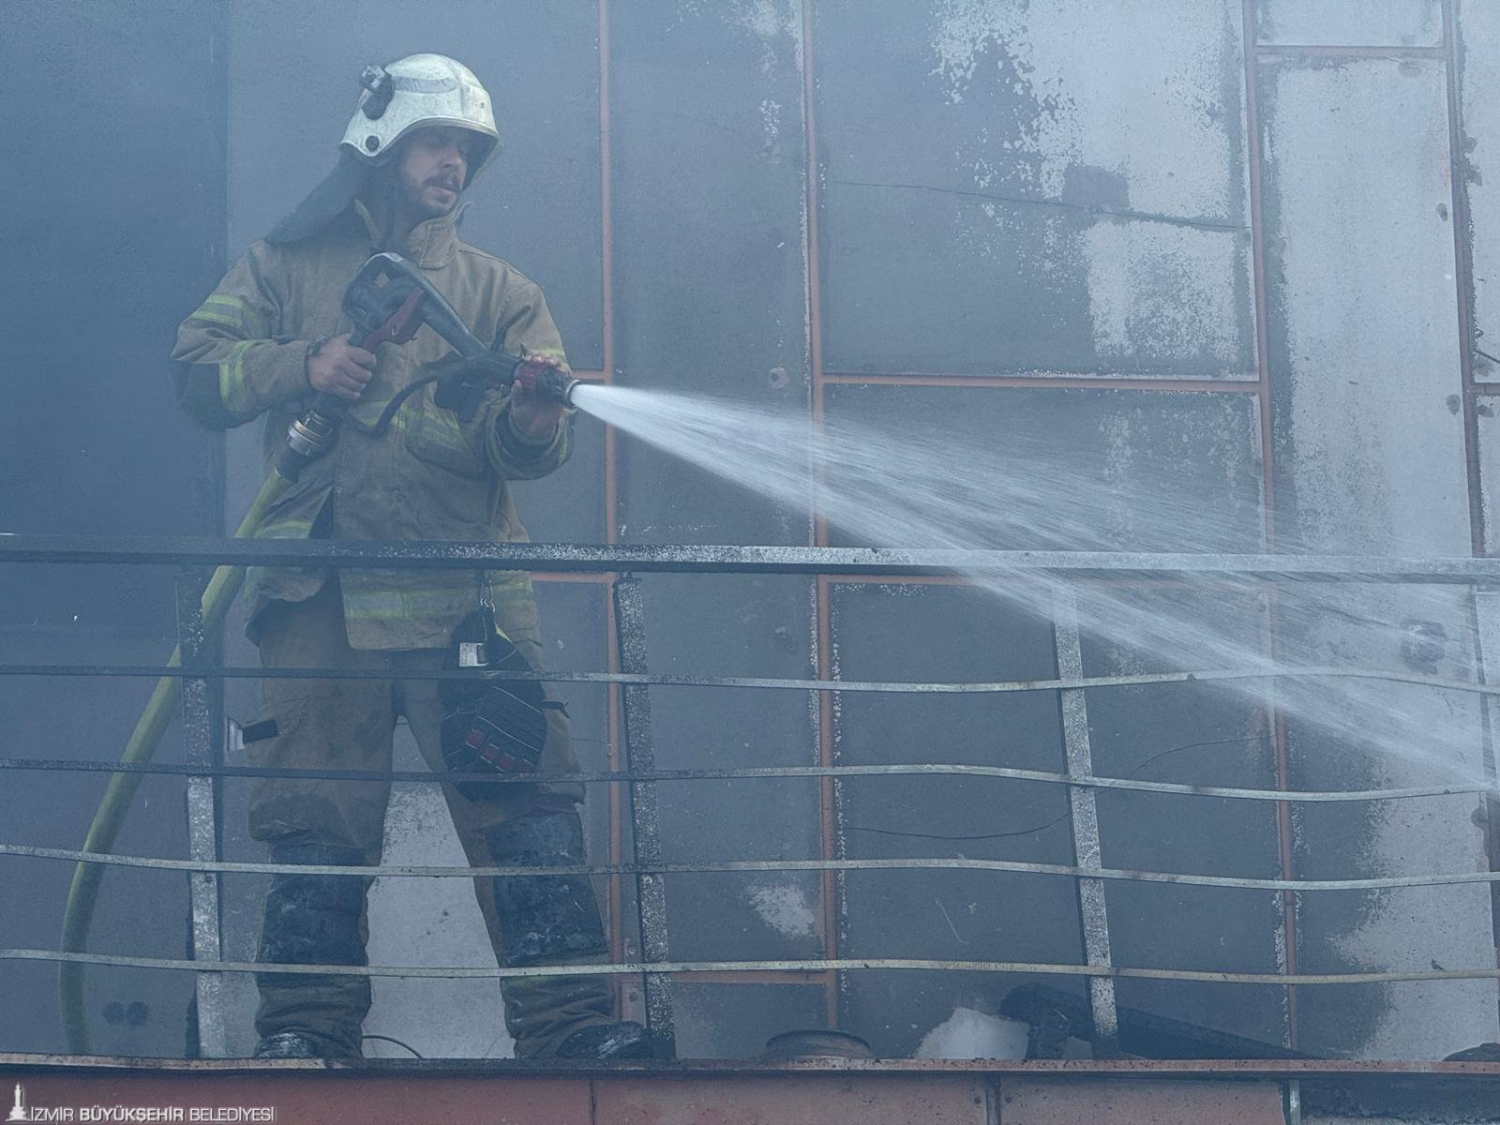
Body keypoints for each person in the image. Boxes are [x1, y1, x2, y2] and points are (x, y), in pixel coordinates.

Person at [171, 54, 648, 1062]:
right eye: (438, 143)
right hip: (320, 603)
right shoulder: (285, 266)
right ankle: (306, 1039)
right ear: (381, 148)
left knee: (527, 815)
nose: (456, 166)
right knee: (316, 827)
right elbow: (196, 374)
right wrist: (303, 362)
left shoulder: (500, 293)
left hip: (466, 606)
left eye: (468, 150)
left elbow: (530, 451)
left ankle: (570, 1037)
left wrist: (526, 416)